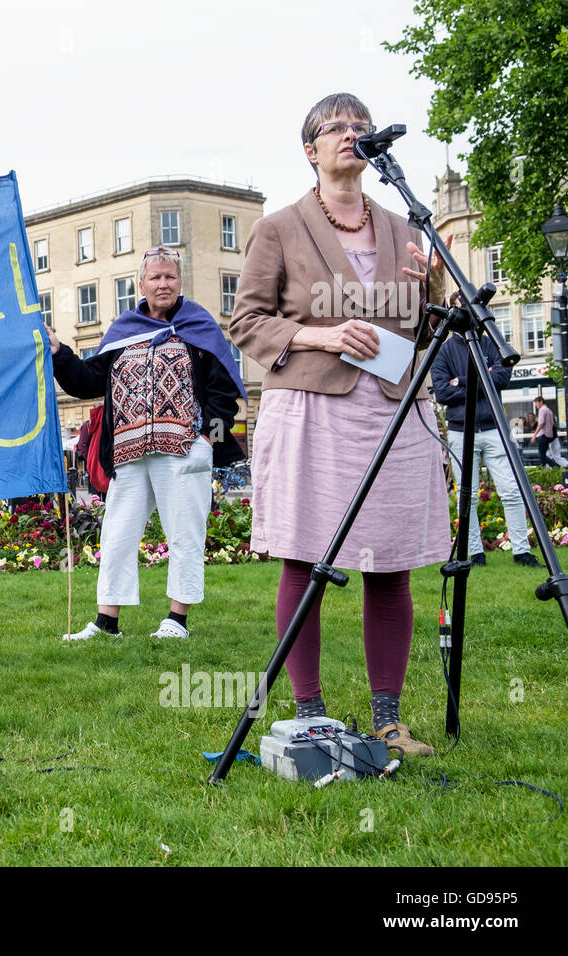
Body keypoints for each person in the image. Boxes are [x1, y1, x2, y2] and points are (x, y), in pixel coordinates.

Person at [229, 93, 451, 756]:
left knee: (394, 564)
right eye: (336, 127)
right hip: (311, 408)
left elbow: (424, 321)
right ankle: (312, 713)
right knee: (307, 556)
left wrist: (433, 288)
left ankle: (389, 717)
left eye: (361, 126)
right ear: (311, 150)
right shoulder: (279, 227)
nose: (352, 134)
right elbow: (247, 322)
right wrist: (323, 337)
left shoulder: (407, 224)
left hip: (393, 405)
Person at [49, 247, 245, 640]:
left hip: (184, 450)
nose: (163, 283)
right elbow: (88, 381)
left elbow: (224, 395)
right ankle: (107, 624)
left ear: (180, 282)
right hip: (128, 452)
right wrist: (60, 354)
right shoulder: (126, 329)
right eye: (155, 277)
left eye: (170, 276)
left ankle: (177, 620)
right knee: (117, 535)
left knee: (184, 533)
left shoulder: (200, 327)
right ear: (141, 285)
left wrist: (208, 439)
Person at [431, 333, 540, 567]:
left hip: (493, 428)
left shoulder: (490, 341)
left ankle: (521, 552)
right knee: (466, 496)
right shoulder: (445, 350)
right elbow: (441, 393)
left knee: (511, 490)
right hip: (462, 431)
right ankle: (475, 553)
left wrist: (459, 381)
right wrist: (484, 377)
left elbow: (502, 377)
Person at [532, 397, 567, 468]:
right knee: (546, 455)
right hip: (550, 437)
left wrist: (534, 435)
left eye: (536, 403)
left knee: (543, 456)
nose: (536, 405)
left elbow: (541, 423)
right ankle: (552, 468)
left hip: (544, 436)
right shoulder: (549, 411)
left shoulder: (542, 410)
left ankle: (556, 467)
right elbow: (551, 424)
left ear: (541, 401)